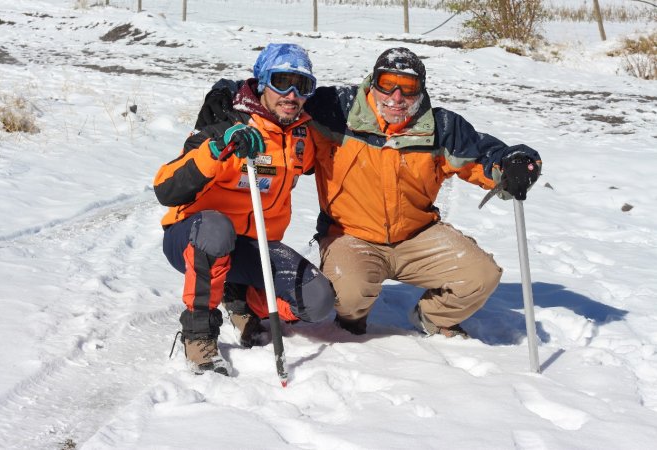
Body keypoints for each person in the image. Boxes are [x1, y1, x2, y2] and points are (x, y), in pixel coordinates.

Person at [198, 47, 542, 339]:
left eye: (407, 88)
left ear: (420, 90)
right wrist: (226, 94)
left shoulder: (440, 127)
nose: (396, 97)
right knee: (347, 297)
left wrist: (515, 163)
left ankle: (434, 320)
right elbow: (280, 93)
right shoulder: (335, 110)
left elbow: (485, 155)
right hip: (350, 236)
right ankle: (341, 319)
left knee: (481, 276)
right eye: (387, 85)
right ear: (373, 83)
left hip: (417, 236)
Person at [153, 43, 335, 376]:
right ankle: (199, 334)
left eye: (303, 85)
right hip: (194, 238)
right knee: (217, 229)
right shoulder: (227, 124)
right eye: (282, 81)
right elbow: (166, 187)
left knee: (318, 301)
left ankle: (241, 299)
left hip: (254, 247)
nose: (292, 94)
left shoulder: (302, 135)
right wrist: (220, 147)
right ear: (263, 82)